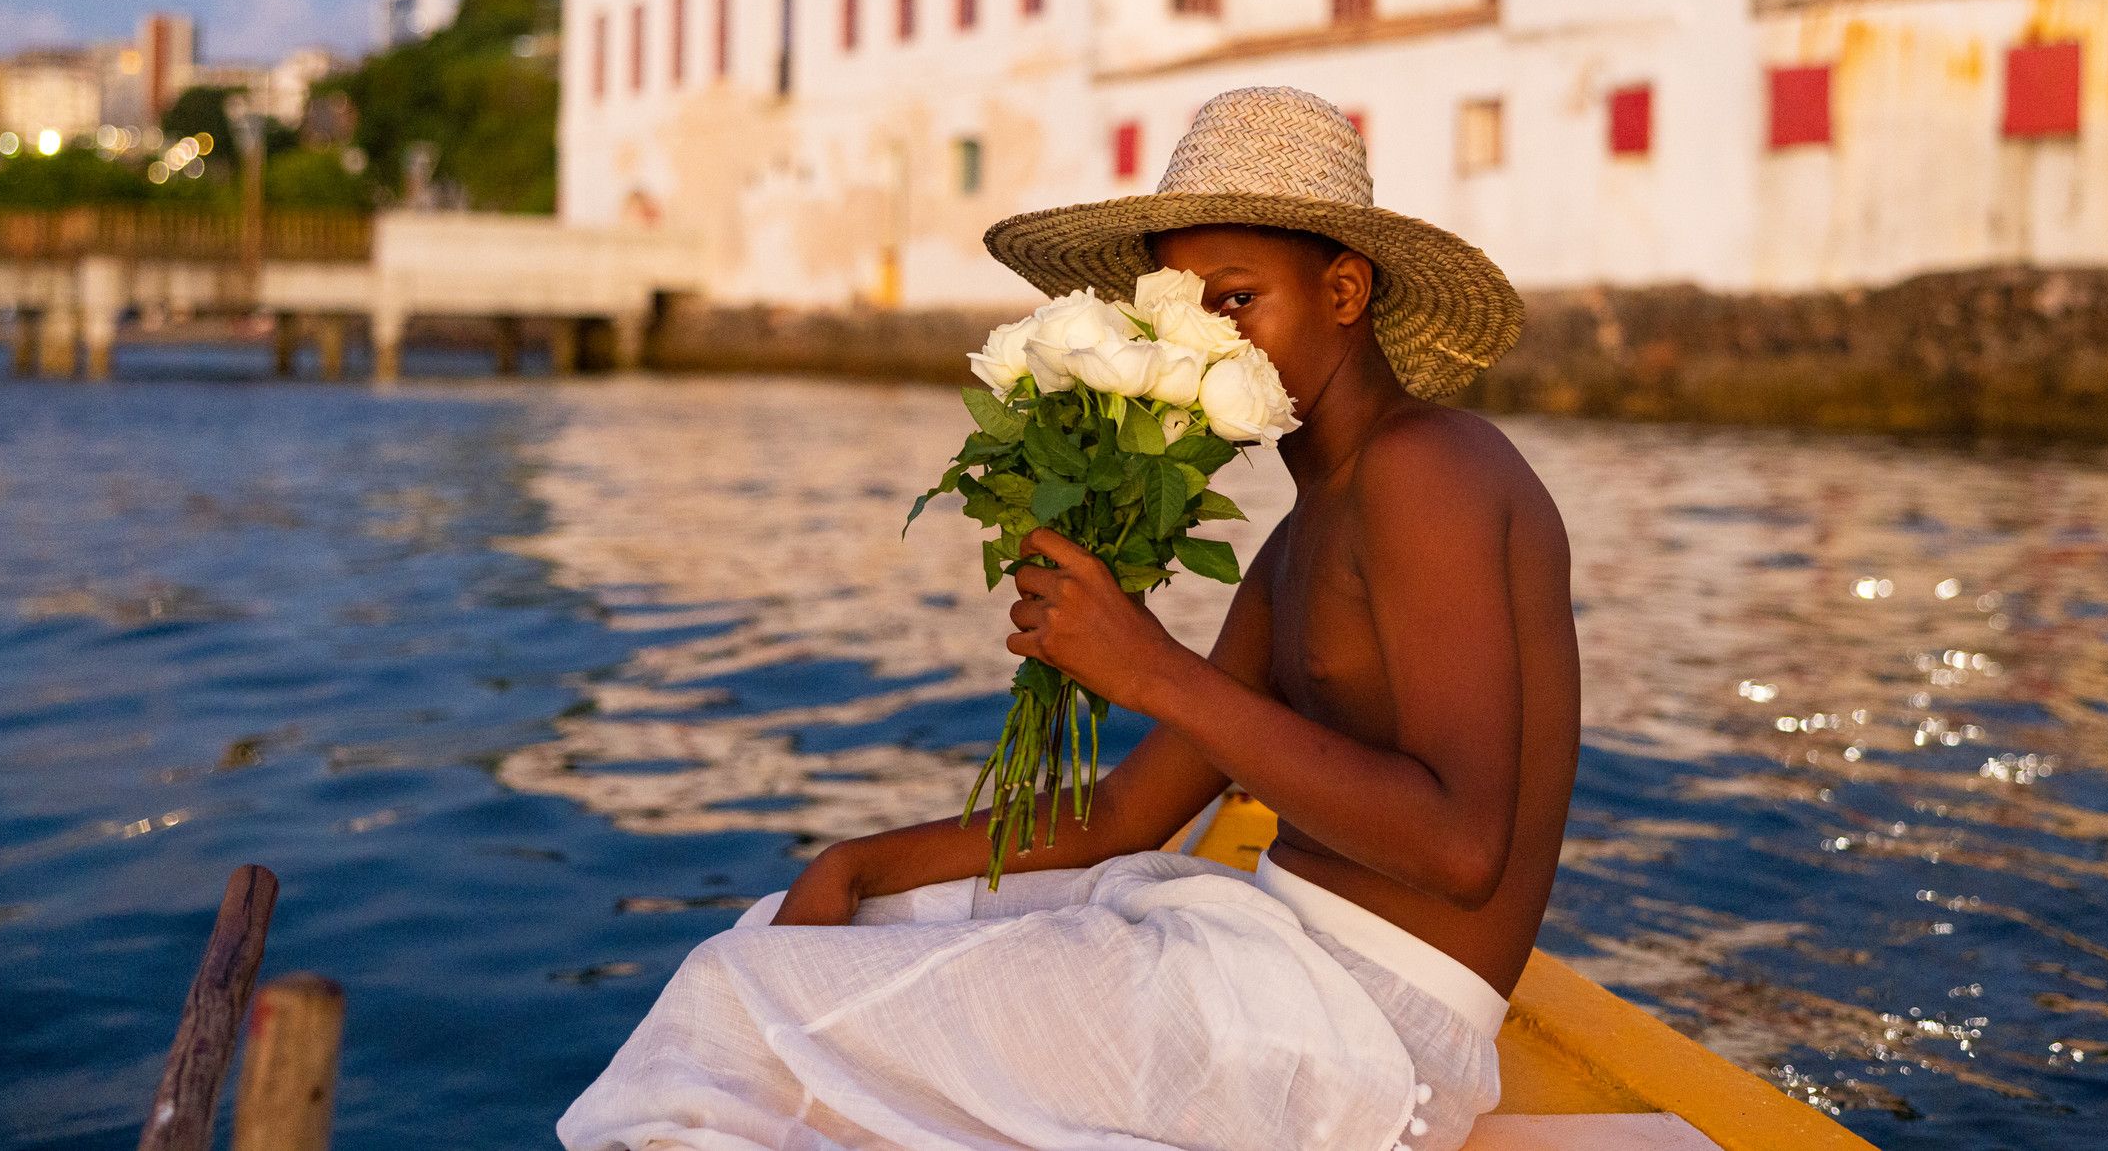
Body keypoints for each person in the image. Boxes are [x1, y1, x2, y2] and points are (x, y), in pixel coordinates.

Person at [559, 86, 1579, 1151]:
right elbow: (1130, 815)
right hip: (1271, 966)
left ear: (1342, 288)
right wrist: (857, 862)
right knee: (790, 933)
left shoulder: (1429, 469)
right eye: (1183, 314)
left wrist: (1149, 668)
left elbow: (1463, 848)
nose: (1210, 344)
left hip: (1361, 1031)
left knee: (736, 995)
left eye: (1236, 301)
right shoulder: (1303, 534)